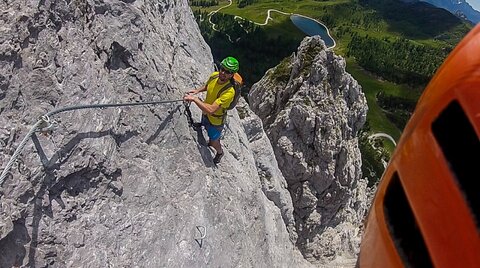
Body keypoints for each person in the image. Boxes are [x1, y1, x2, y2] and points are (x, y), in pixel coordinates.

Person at [183, 56, 239, 164]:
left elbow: (211, 110)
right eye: (222, 69)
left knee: (214, 142)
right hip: (206, 114)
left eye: (227, 72)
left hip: (216, 121)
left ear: (232, 75)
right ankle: (204, 127)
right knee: (203, 122)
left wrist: (194, 99)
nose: (223, 73)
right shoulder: (214, 76)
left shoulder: (229, 92)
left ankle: (220, 152)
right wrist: (196, 91)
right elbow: (207, 86)